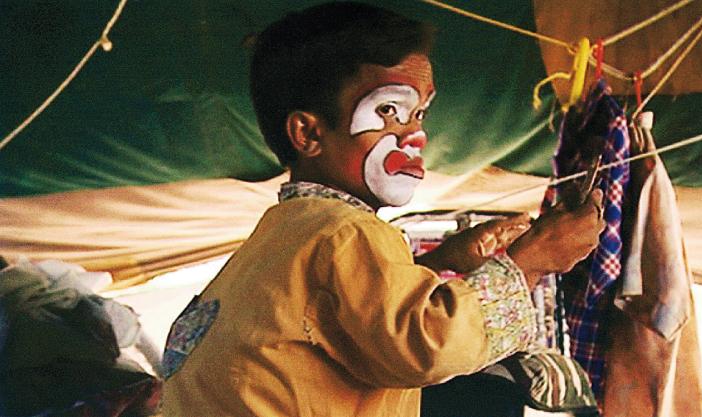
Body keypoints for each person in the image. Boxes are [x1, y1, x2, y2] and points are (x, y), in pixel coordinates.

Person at [160, 3, 605, 416]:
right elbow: (427, 346)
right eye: (390, 110)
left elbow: (340, 316)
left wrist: (440, 262)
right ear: (308, 134)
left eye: (419, 114)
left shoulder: (282, 236)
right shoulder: (345, 232)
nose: (415, 137)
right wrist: (532, 260)